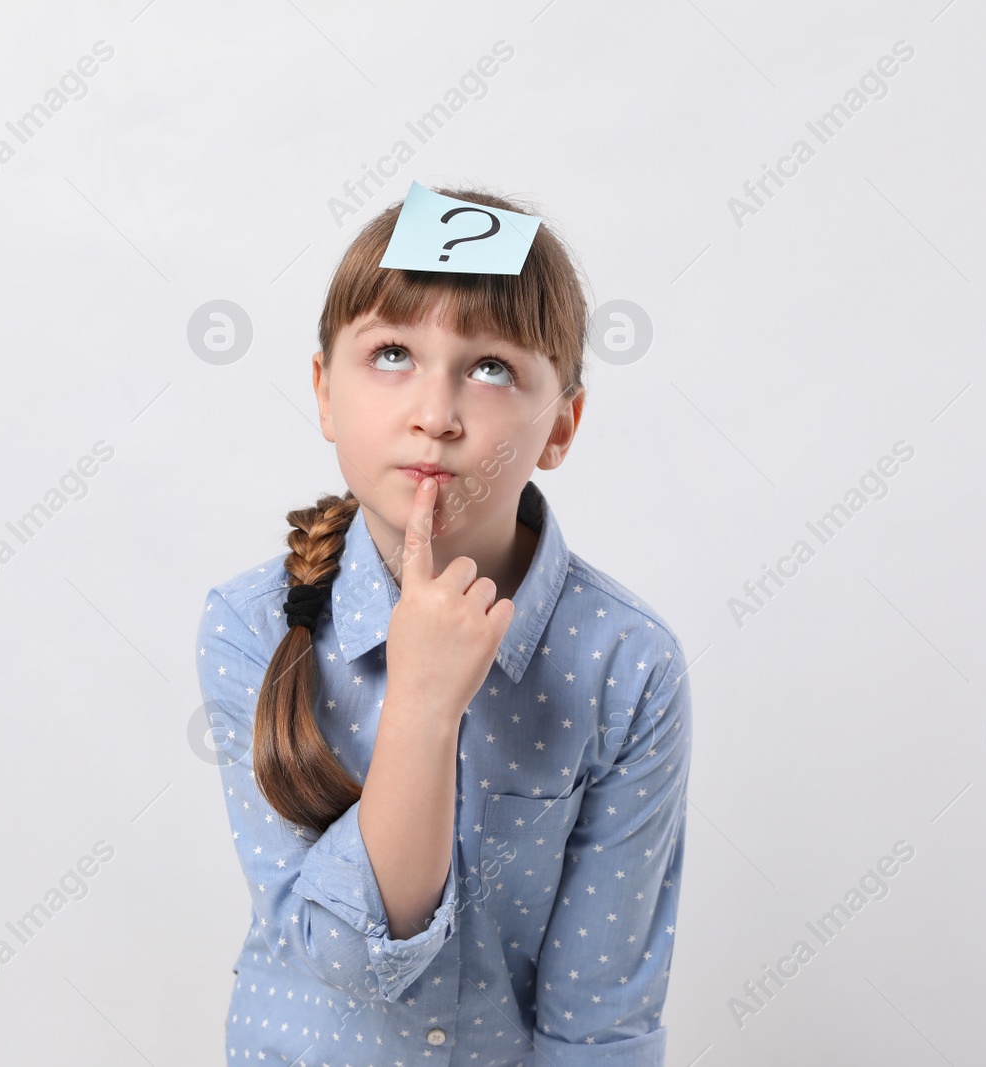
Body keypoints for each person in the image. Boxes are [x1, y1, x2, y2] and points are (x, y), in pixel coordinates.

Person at [195, 184, 692, 1066]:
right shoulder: (252, 624)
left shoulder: (628, 664)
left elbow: (601, 1017)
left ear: (562, 425)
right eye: (392, 352)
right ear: (324, 392)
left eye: (492, 367)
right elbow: (348, 958)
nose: (436, 410)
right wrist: (422, 703)